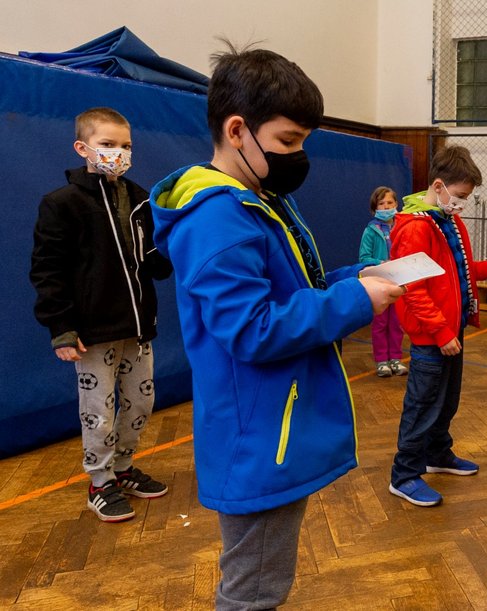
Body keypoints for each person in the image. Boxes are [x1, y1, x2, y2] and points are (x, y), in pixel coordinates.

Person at [149, 46, 404, 609]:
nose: (298, 155)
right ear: (238, 130)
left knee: (261, 580)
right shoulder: (219, 216)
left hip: (273, 422)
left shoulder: (259, 199)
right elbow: (252, 329)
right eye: (289, 141)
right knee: (253, 591)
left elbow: (295, 289)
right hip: (257, 435)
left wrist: (358, 276)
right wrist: (355, 302)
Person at [29, 107, 173, 523]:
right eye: (107, 144)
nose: (118, 153)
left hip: (137, 326)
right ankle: (100, 481)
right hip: (93, 331)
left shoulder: (141, 197)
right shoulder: (63, 203)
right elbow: (47, 268)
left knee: (140, 403)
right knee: (99, 410)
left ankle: (123, 469)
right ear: (83, 148)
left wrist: (170, 244)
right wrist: (60, 326)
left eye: (125, 146)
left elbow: (153, 262)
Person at [387, 145, 487, 507]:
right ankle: (405, 474)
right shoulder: (413, 227)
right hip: (432, 334)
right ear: (438, 186)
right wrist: (440, 332)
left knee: (446, 400)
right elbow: (413, 287)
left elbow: (458, 267)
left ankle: (437, 453)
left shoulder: (446, 220)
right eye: (459, 197)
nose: (462, 205)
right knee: (422, 404)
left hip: (450, 329)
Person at [360, 186, 408, 377]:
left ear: (396, 204)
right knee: (380, 323)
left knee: (396, 323)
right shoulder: (371, 230)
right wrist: (382, 263)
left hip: (399, 282)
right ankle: (381, 360)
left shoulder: (403, 225)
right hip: (379, 283)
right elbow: (364, 257)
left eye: (390, 202)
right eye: (382, 203)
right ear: (375, 208)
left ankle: (395, 358)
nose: (386, 206)